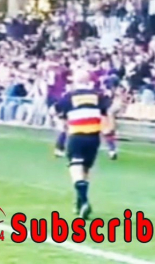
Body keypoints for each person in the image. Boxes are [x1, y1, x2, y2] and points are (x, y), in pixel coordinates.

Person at [54, 69, 108, 219]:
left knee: (75, 168)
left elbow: (58, 111)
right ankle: (79, 203)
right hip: (94, 137)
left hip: (77, 135)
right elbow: (107, 111)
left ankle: (83, 201)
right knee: (85, 170)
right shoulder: (98, 96)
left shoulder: (69, 96)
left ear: (74, 81)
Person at [45, 52, 71, 158]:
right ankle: (59, 148)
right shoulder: (62, 70)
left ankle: (60, 147)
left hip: (51, 98)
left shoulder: (48, 69)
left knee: (62, 125)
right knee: (63, 126)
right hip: (59, 99)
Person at [102, 77, 123, 160]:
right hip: (109, 110)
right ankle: (112, 150)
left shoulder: (111, 91)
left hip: (107, 110)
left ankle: (112, 149)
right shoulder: (118, 90)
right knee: (108, 132)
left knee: (107, 131)